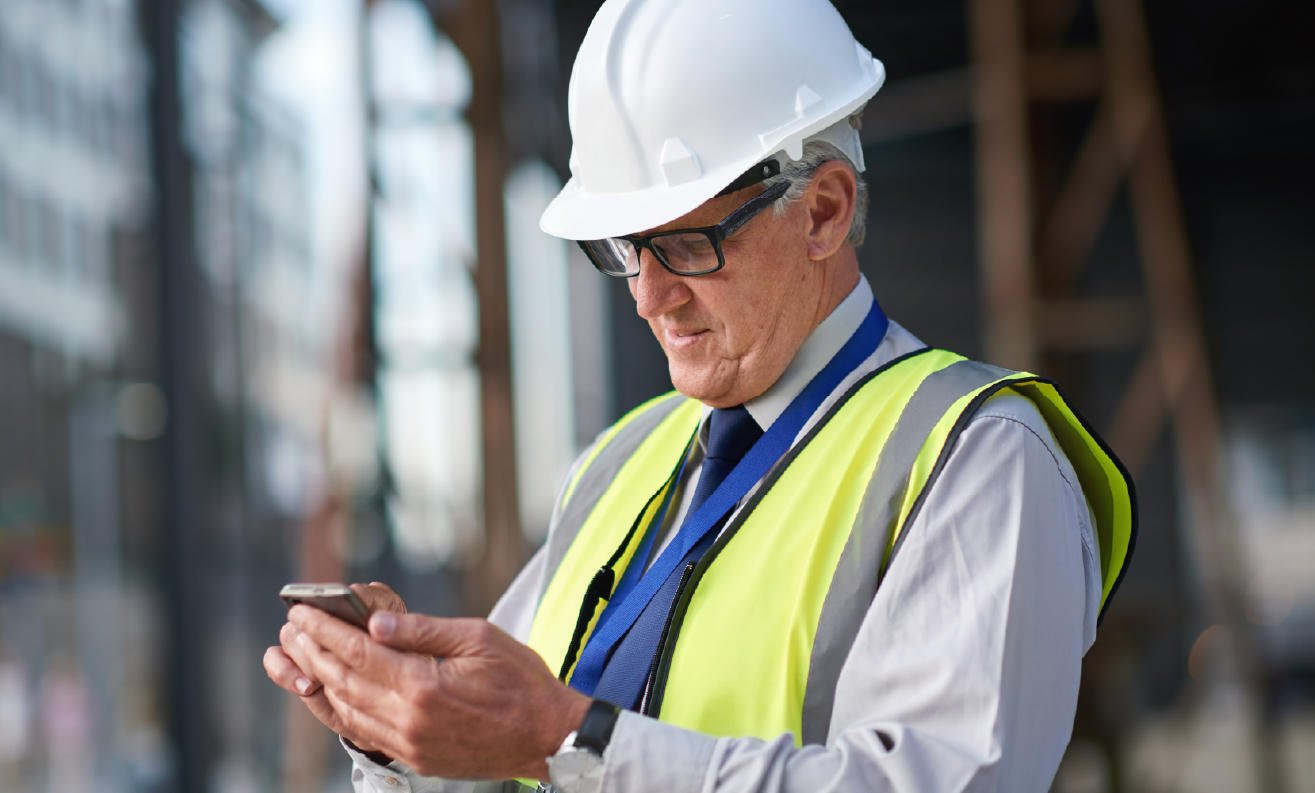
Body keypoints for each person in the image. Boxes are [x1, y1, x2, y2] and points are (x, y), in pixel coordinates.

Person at [263, 0, 1136, 791]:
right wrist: (401, 731)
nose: (649, 297)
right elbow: (515, 756)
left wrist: (568, 739)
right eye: (625, 249)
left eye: (686, 245)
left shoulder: (979, 460)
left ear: (824, 211)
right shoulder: (620, 464)